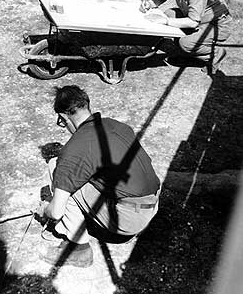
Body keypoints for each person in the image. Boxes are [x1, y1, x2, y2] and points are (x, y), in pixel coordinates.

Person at [36, 85, 160, 267]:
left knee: (56, 167)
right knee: (79, 174)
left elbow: (56, 212)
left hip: (128, 220)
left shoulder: (75, 149)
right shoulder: (116, 125)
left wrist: (46, 208)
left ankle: (78, 250)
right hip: (153, 204)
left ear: (64, 117)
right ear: (86, 106)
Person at [140, 0, 232, 74]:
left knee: (186, 43)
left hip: (216, 24)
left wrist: (166, 21)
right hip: (199, 18)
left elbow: (193, 22)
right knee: (169, 13)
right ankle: (186, 52)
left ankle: (215, 54)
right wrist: (150, 3)